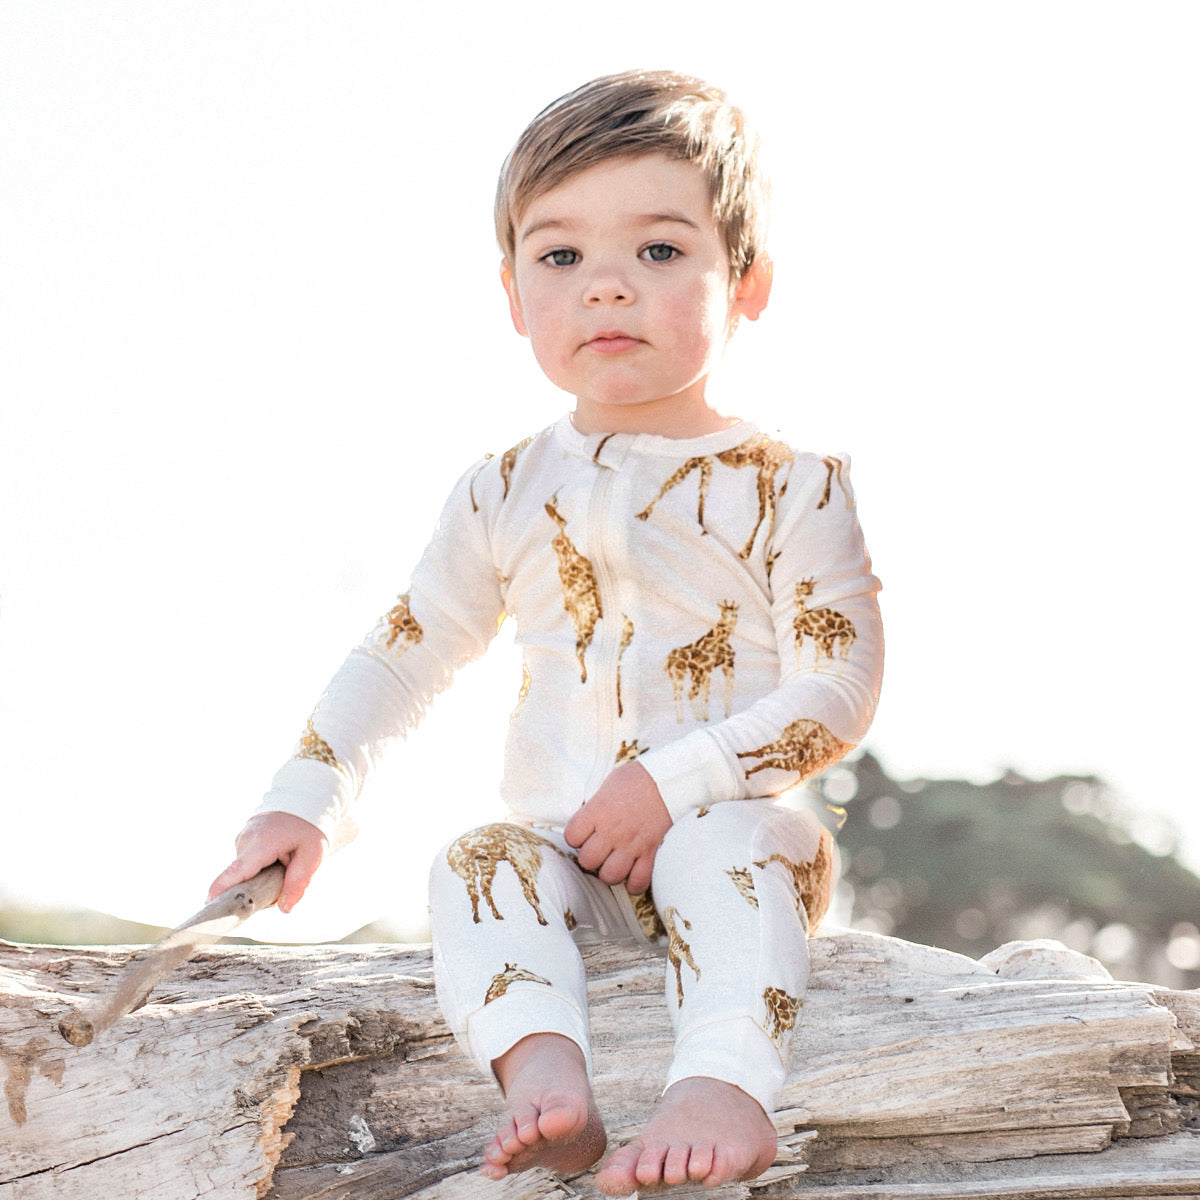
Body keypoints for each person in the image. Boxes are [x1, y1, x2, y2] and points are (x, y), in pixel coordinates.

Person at [209, 69, 883, 1194]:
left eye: (660, 253)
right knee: (475, 860)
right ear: (515, 296)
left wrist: (675, 784)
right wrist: (305, 799)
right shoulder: (502, 491)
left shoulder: (794, 486)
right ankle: (546, 1080)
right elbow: (404, 652)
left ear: (748, 280)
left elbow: (841, 686)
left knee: (719, 849)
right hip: (575, 867)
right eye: (561, 257)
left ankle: (723, 1083)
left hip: (751, 843)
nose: (606, 289)